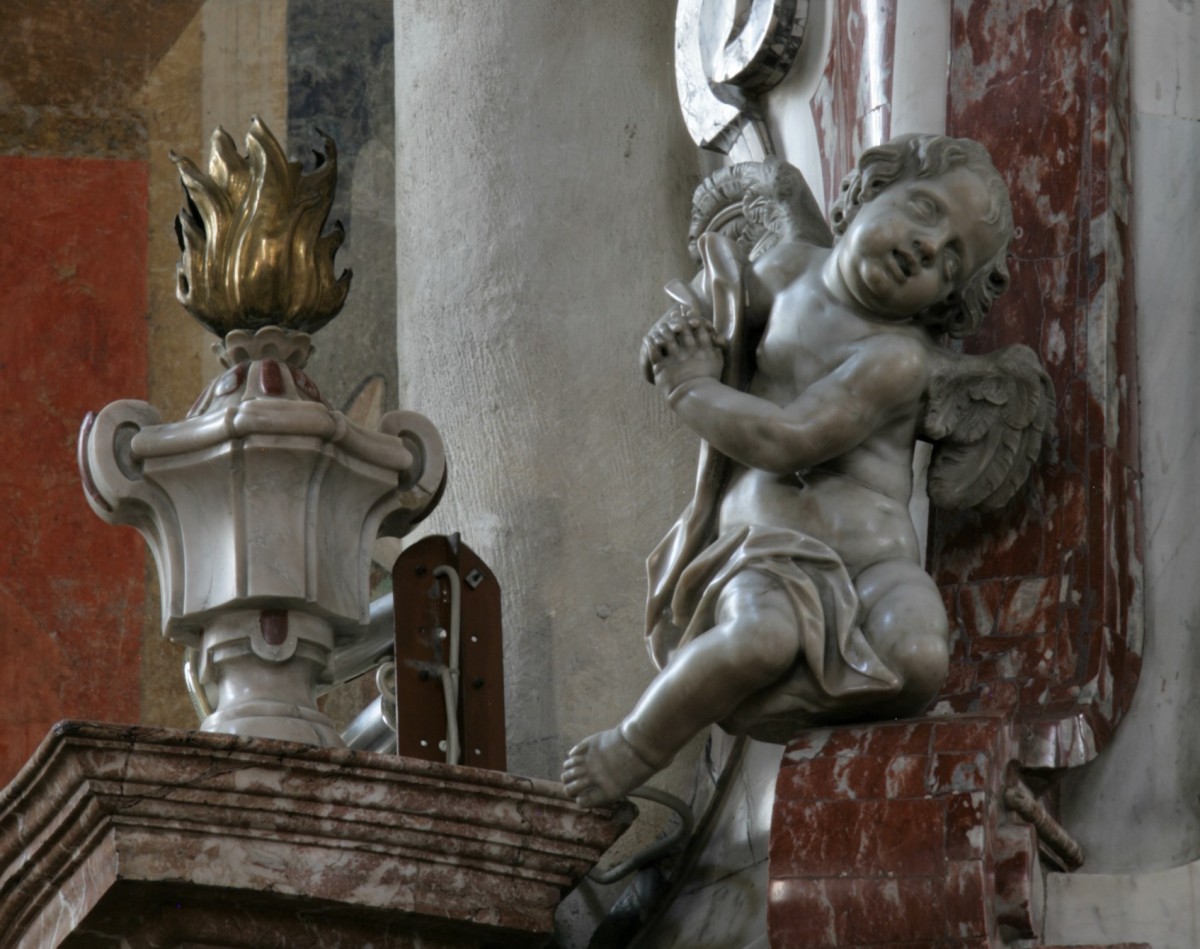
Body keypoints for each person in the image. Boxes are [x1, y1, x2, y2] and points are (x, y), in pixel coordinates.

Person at [563, 135, 1017, 807]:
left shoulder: (898, 358)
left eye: (951, 261)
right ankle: (634, 744)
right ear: (863, 194)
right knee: (759, 637)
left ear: (940, 300)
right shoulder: (781, 270)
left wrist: (689, 389)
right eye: (923, 210)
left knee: (921, 659)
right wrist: (676, 335)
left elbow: (791, 438)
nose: (928, 247)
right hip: (766, 552)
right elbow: (705, 308)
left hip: (875, 567)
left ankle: (778, 695)